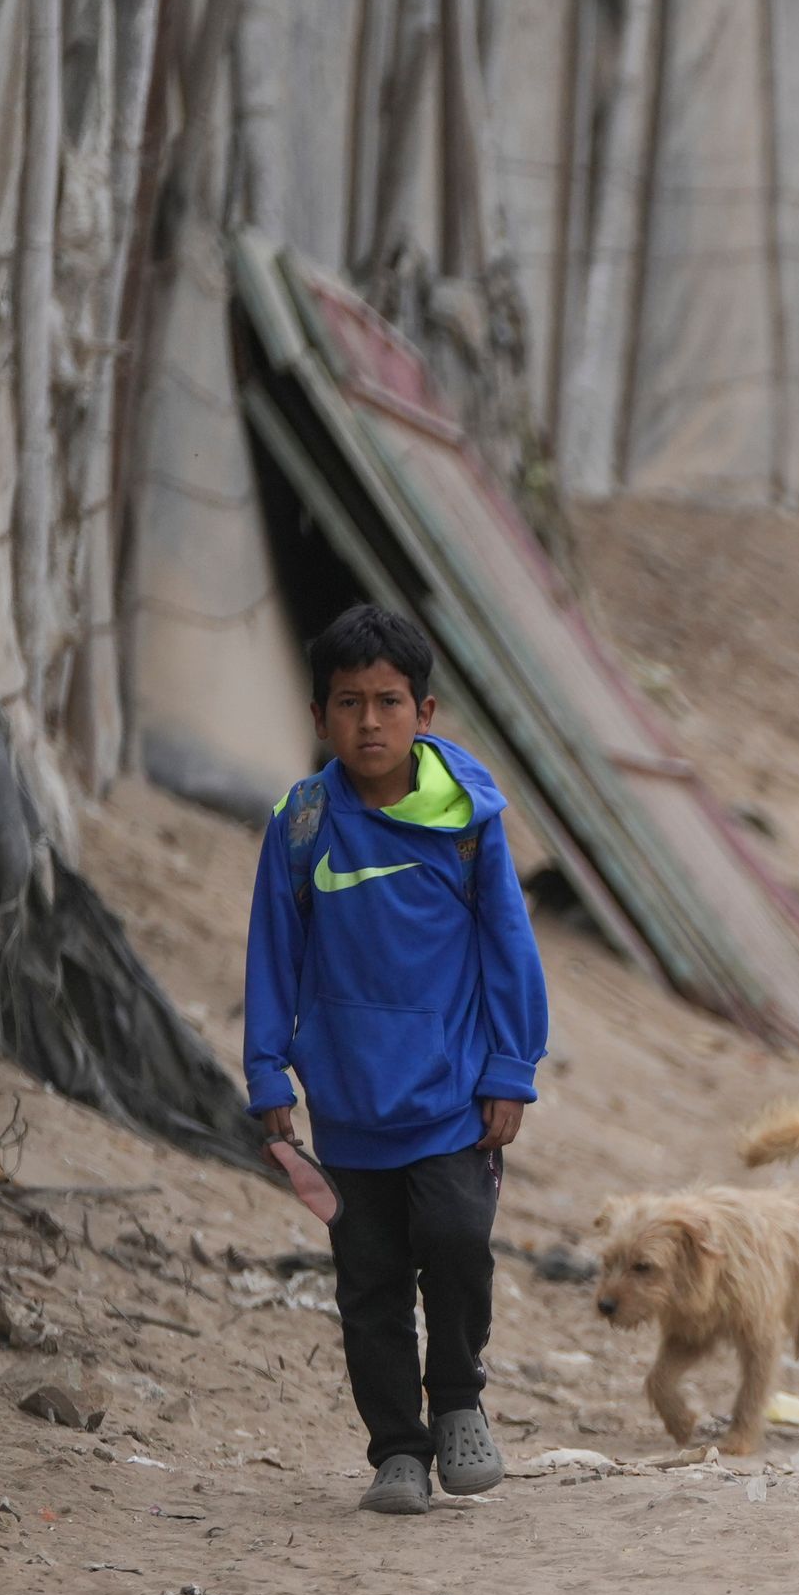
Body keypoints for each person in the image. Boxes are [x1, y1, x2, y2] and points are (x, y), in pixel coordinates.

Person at [244, 604, 549, 1518]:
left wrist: (510, 1068)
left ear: (426, 712)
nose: (368, 723)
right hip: (346, 1107)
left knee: (457, 1240)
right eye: (348, 703)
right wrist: (268, 1076)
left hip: (454, 1097)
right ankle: (397, 1451)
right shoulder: (302, 826)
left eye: (387, 702)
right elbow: (271, 954)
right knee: (368, 1282)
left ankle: (457, 1398)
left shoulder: (468, 824)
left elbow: (509, 949)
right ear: (317, 717)